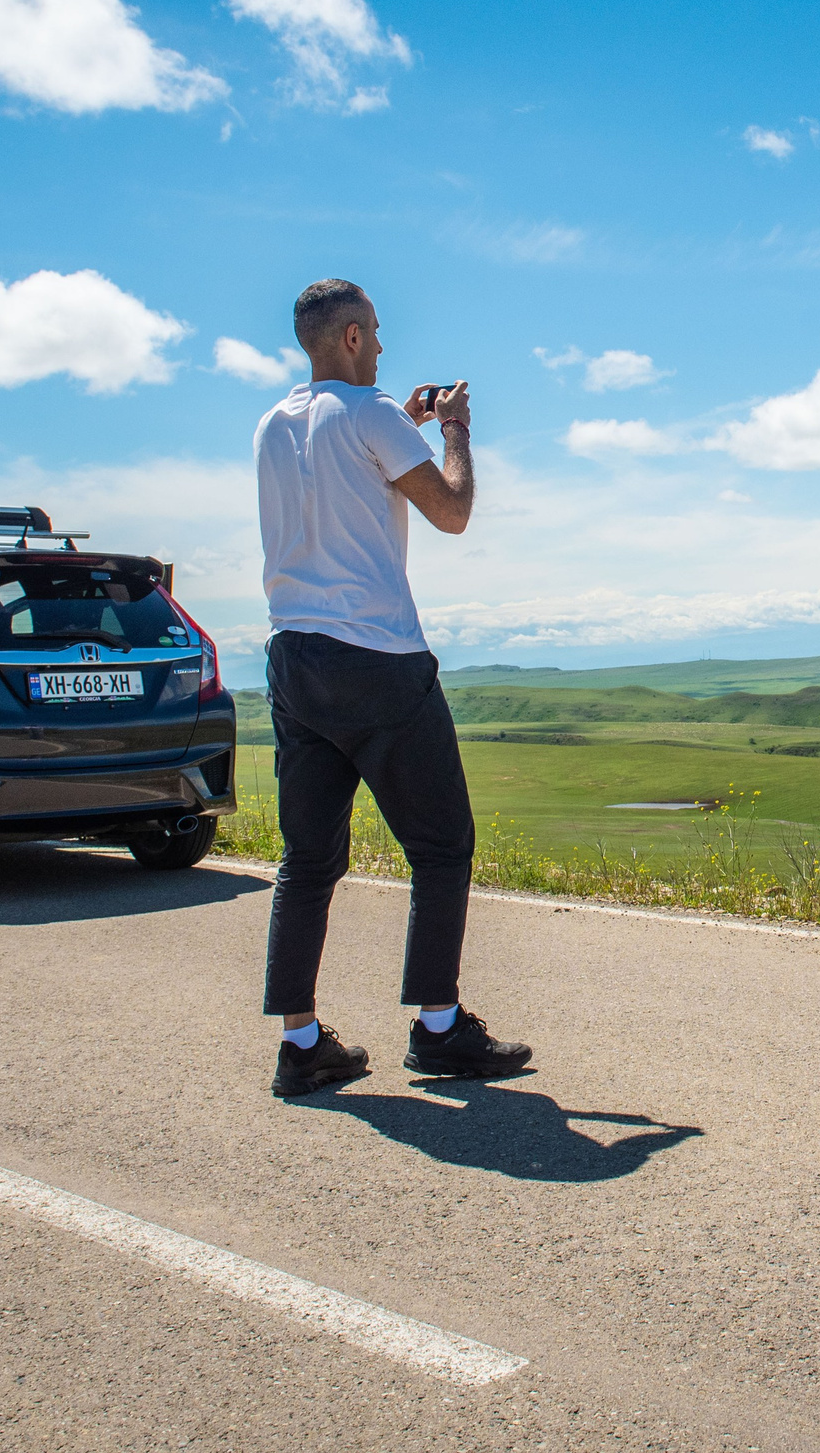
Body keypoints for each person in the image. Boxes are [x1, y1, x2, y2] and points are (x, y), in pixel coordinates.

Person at [254, 279, 534, 1098]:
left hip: (293, 656)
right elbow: (451, 511)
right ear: (347, 337)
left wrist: (401, 421)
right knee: (442, 845)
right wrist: (452, 431)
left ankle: (301, 1043)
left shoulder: (276, 424)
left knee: (307, 859)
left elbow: (340, 470)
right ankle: (439, 1029)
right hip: (375, 656)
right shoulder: (371, 411)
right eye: (374, 330)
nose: (382, 342)